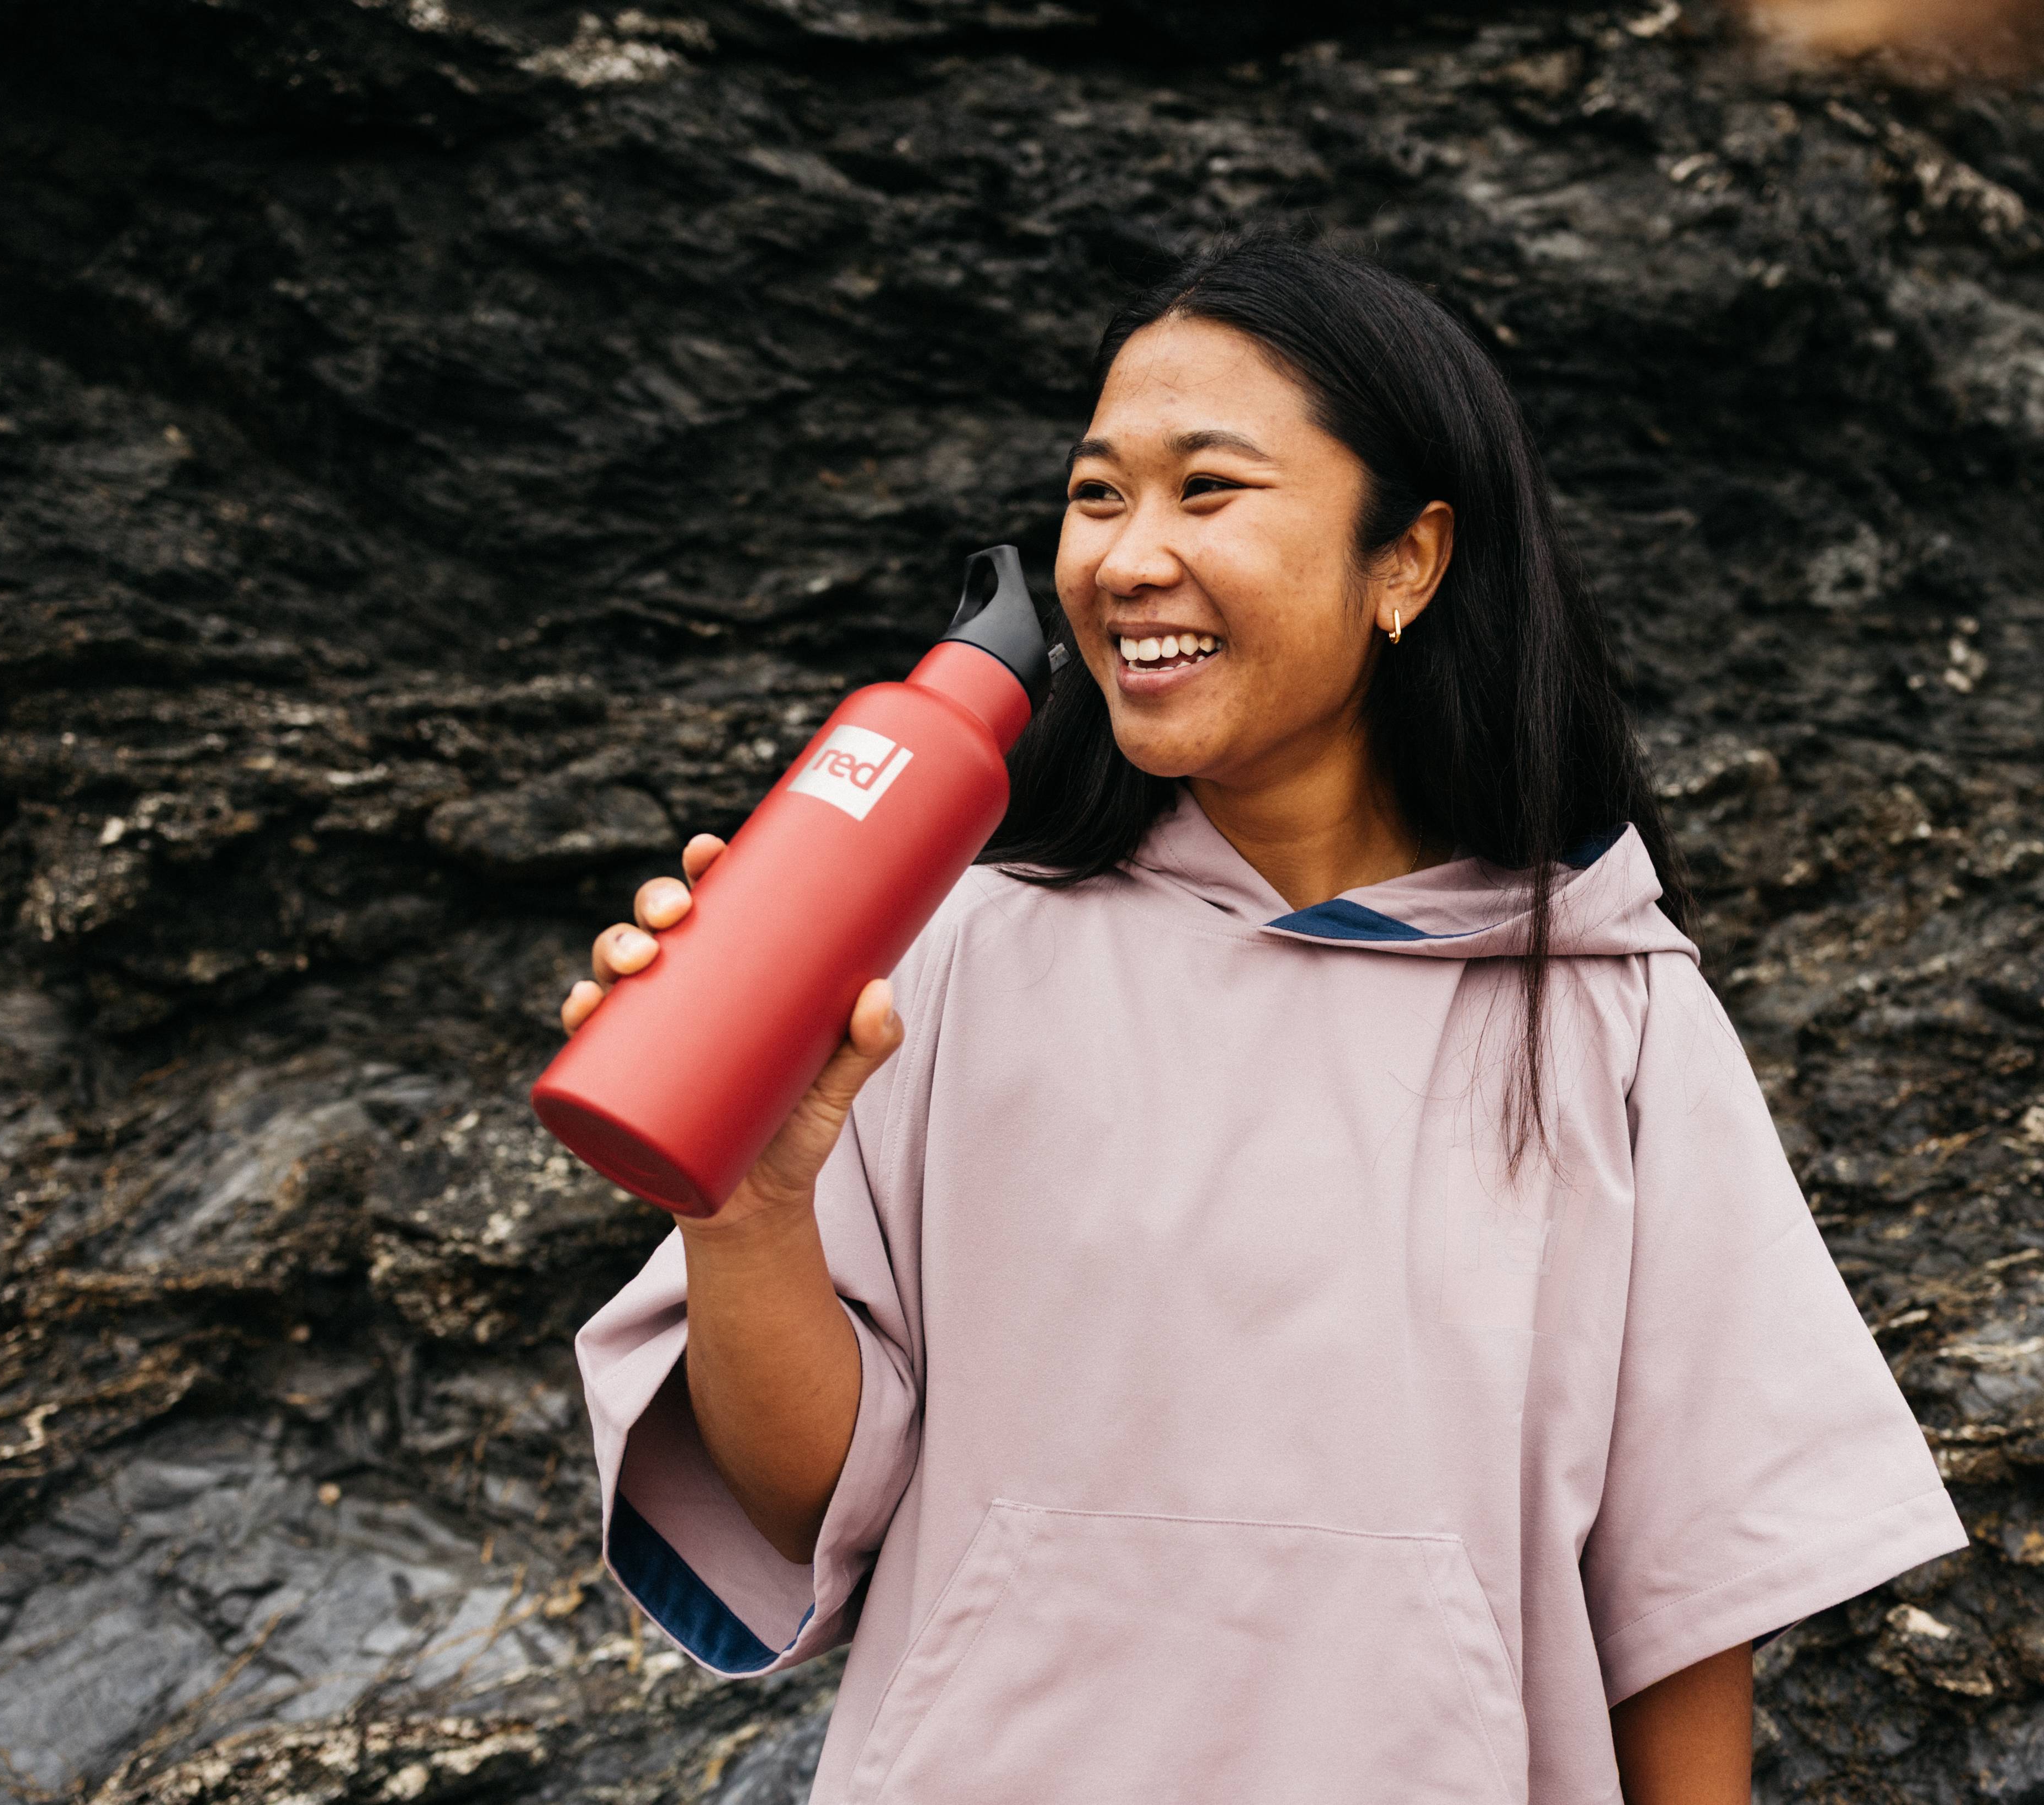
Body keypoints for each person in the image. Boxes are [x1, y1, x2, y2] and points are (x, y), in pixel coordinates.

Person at [564, 237, 1967, 1803]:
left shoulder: (1606, 1016)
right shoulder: (957, 947)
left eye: (1207, 491)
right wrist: (748, 1203)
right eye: (1097, 495)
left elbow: (1688, 1591)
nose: (1123, 558)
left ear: (1409, 561)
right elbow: (801, 1499)